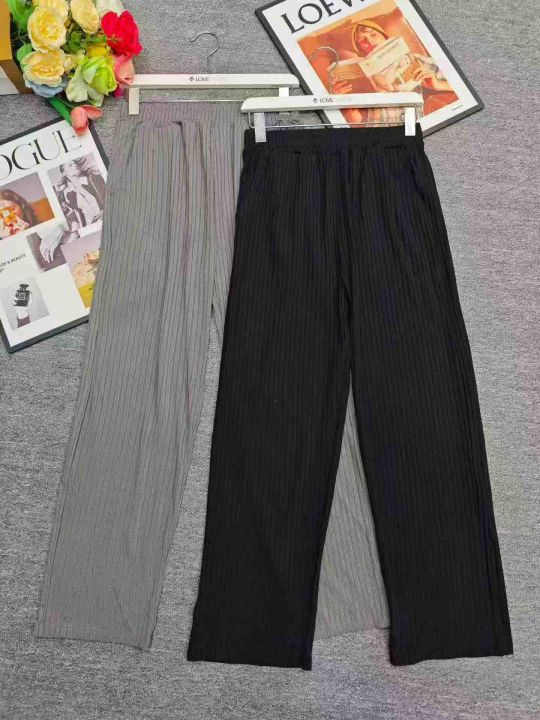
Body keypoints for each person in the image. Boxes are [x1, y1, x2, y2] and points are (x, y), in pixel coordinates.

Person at [330, 20, 457, 124]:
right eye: (362, 40)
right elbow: (358, 123)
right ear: (360, 49)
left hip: (420, 115)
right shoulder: (361, 79)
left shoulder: (414, 59)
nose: (369, 41)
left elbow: (460, 85)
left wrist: (437, 85)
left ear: (385, 37)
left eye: (373, 34)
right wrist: (342, 100)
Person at [53, 157, 105, 231]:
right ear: (64, 173)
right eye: (70, 165)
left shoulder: (94, 179)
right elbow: (76, 218)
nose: (75, 165)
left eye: (75, 163)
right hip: (89, 227)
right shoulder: (68, 193)